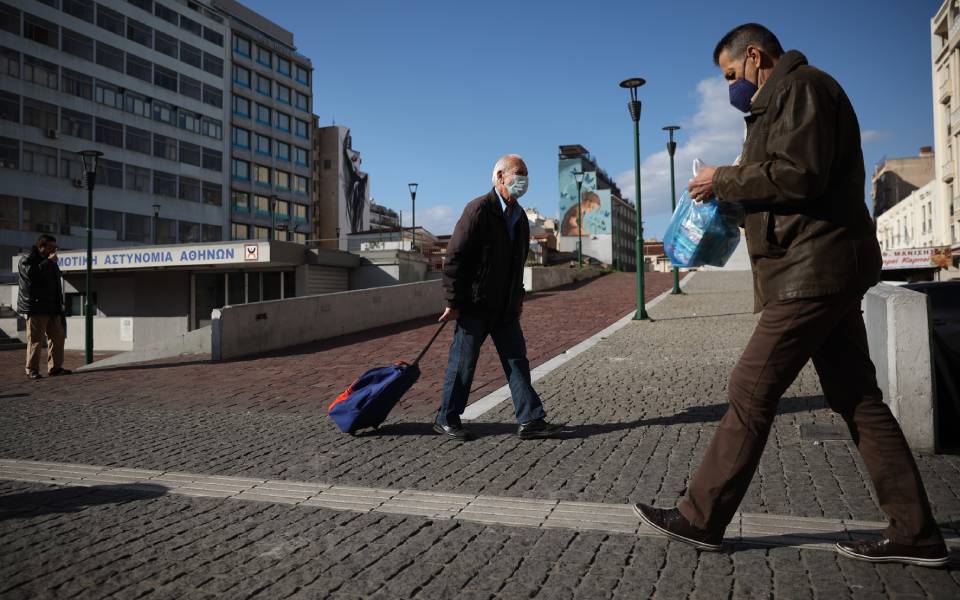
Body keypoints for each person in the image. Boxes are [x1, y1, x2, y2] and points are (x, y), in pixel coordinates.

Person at [634, 24, 949, 568]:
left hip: (812, 267)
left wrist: (722, 180)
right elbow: (787, 180)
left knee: (750, 388)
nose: (731, 88)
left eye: (731, 75)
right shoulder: (788, 97)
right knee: (857, 398)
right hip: (819, 265)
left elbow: (797, 175)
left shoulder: (801, 89)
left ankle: (701, 517)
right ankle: (915, 531)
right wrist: (733, 201)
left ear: (754, 56)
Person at [435, 154, 563, 441]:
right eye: (519, 173)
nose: (524, 179)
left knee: (517, 360)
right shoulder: (478, 209)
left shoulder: (519, 219)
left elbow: (518, 265)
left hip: (505, 307)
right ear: (500, 176)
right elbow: (454, 257)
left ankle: (530, 419)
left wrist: (518, 299)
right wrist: (453, 301)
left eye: (527, 174)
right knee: (463, 362)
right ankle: (446, 417)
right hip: (475, 305)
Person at [18, 234, 70, 380]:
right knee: (35, 340)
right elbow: (31, 275)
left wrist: (60, 305)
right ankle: (32, 370)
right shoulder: (28, 258)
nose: (54, 250)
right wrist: (48, 262)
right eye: (52, 247)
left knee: (58, 337)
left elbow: (55, 284)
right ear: (42, 246)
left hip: (53, 308)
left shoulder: (51, 262)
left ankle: (55, 367)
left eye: (55, 247)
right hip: (37, 307)